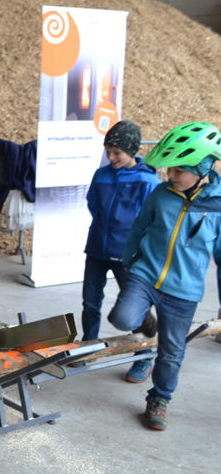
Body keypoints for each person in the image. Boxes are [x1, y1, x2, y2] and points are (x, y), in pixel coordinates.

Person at [107, 121, 221, 431]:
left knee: (171, 352)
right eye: (169, 169)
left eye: (178, 170)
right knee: (122, 318)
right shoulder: (161, 193)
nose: (171, 175)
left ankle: (159, 399)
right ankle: (147, 321)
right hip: (146, 274)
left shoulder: (218, 207)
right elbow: (139, 226)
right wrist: (129, 259)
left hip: (184, 290)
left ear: (203, 168)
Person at [77, 120, 160, 375]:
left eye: (117, 153)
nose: (111, 157)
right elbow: (93, 204)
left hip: (128, 254)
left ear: (132, 151)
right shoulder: (101, 175)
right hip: (97, 249)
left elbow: (151, 220)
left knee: (134, 308)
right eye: (108, 152)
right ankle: (89, 347)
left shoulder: (147, 181)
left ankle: (143, 356)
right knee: (90, 303)